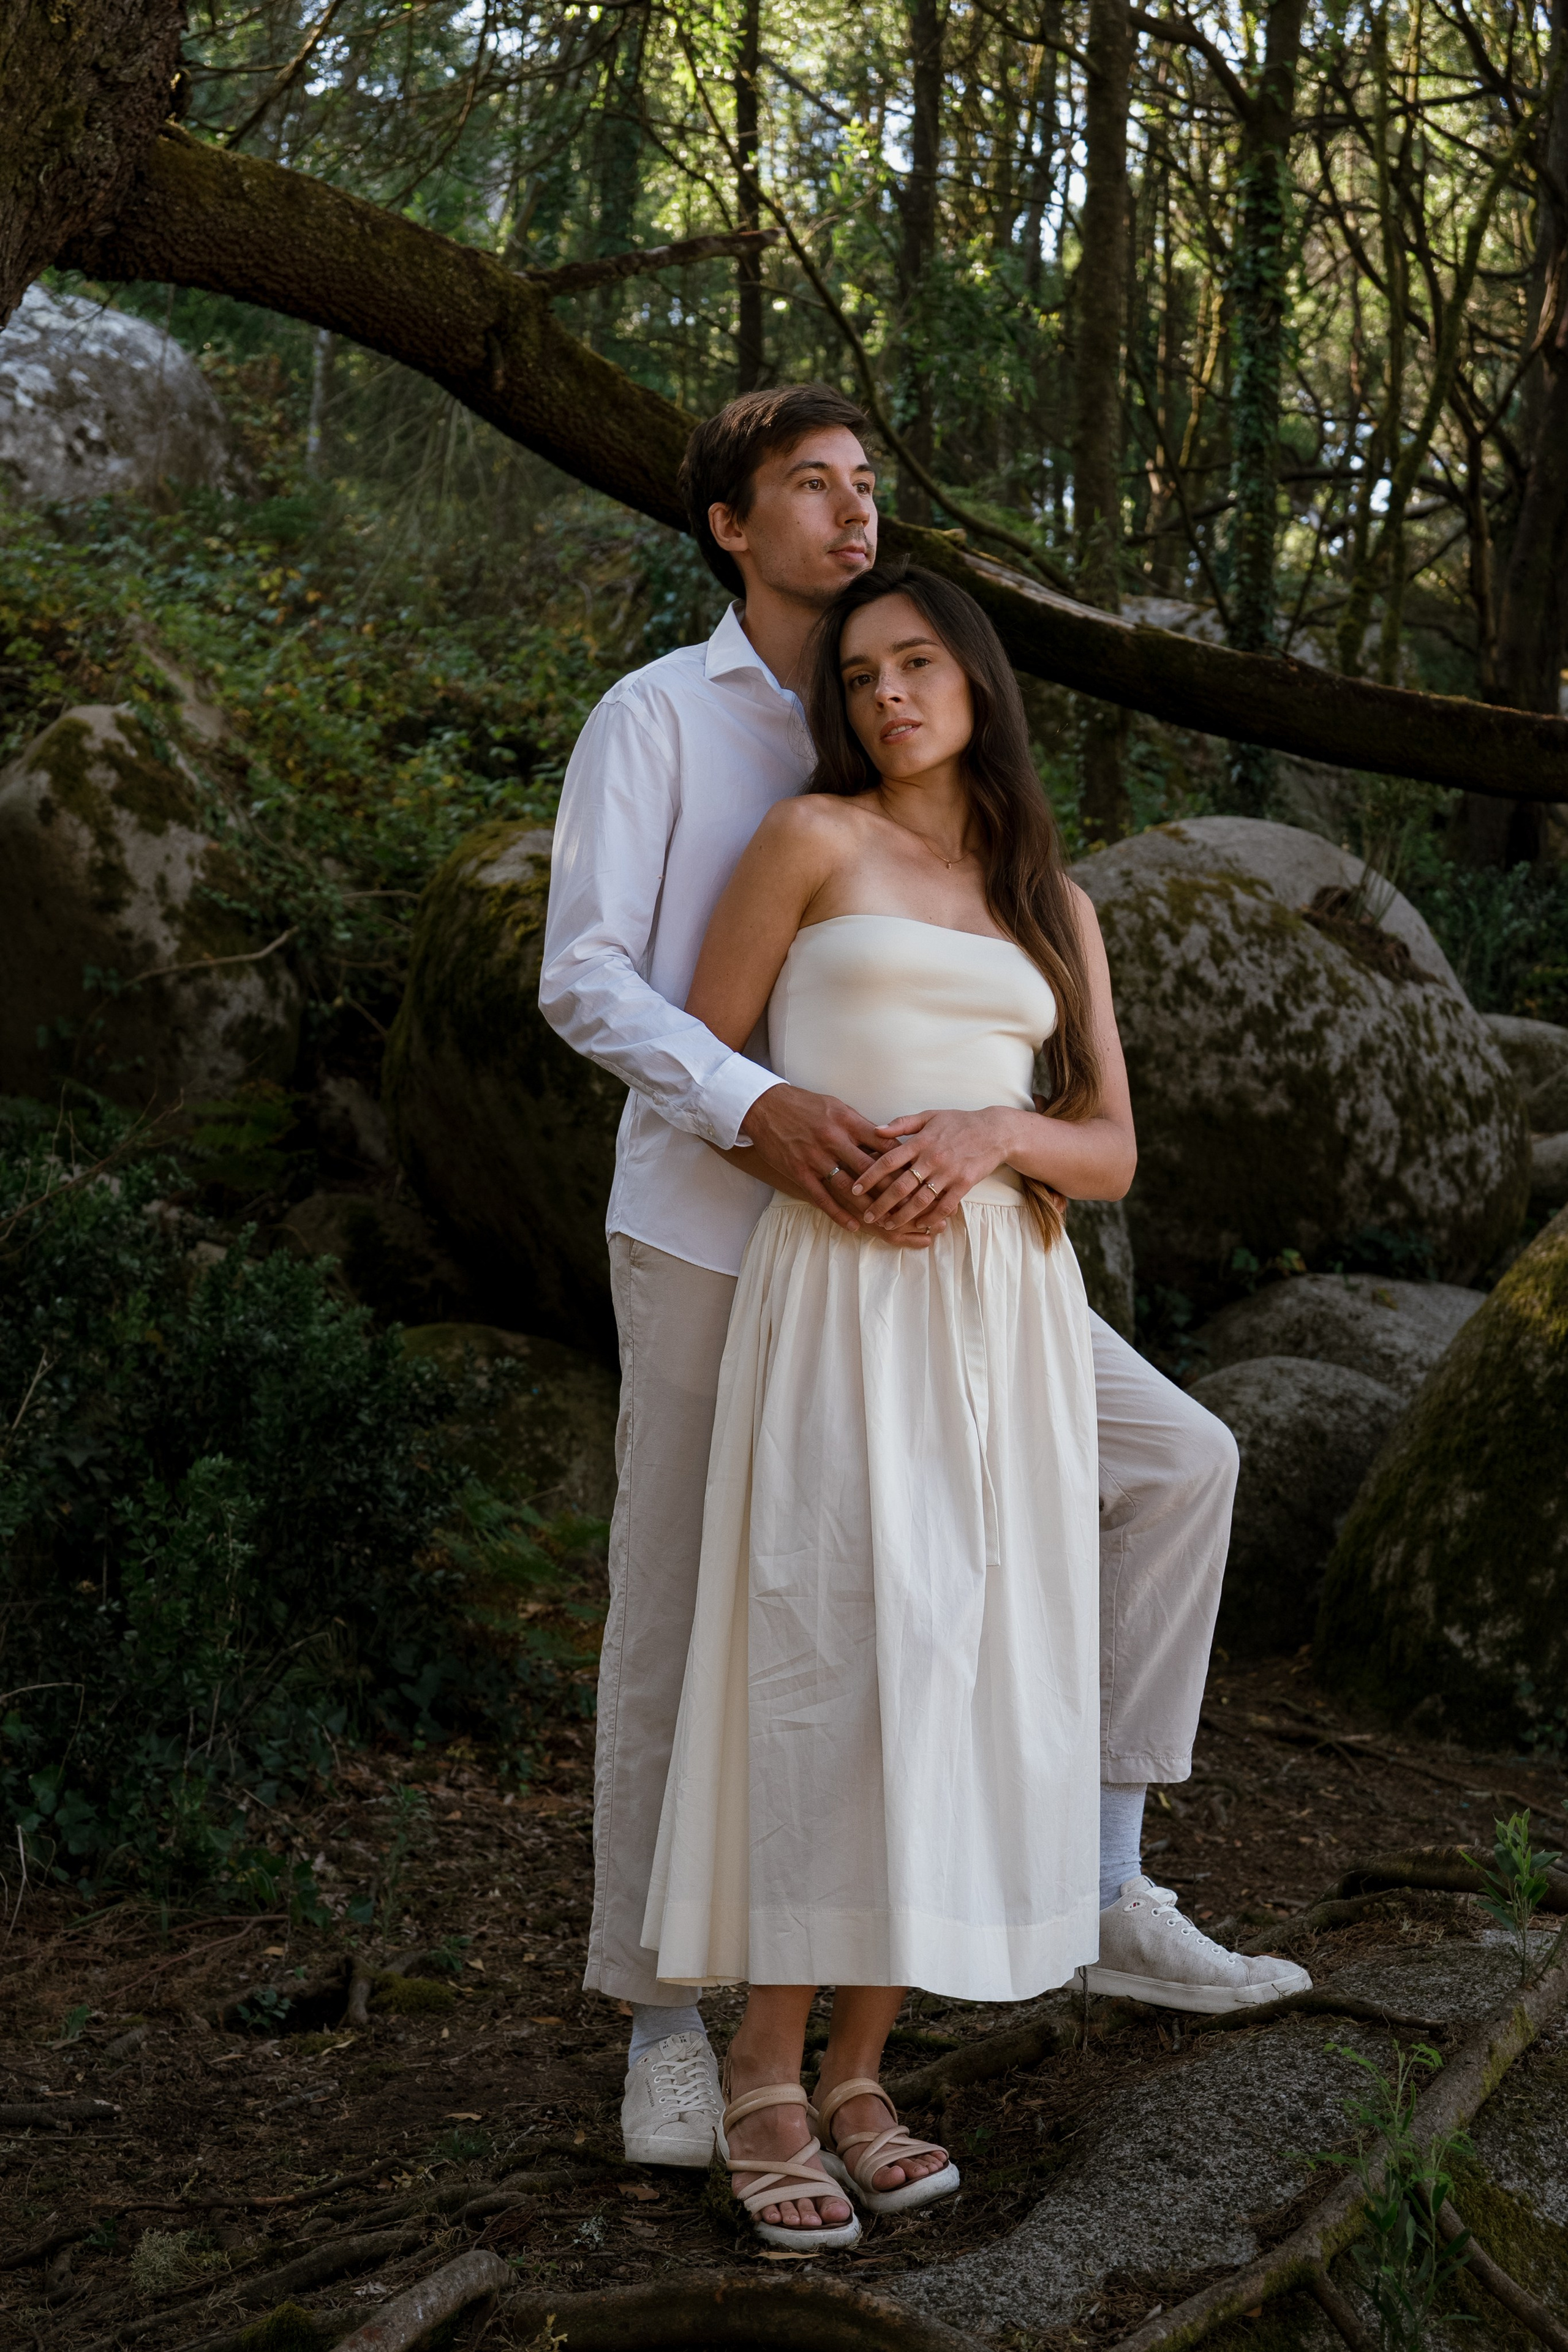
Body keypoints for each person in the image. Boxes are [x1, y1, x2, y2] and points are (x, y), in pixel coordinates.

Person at [538, 384, 1310, 2175]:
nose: (849, 507)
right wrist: (771, 1114)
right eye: (809, 484)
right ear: (733, 523)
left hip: (972, 1280)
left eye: (865, 480)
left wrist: (986, 1148)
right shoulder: (661, 720)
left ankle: (1098, 1873)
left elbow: (1079, 1119)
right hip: (726, 1228)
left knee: (1170, 1466)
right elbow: (590, 982)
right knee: (698, 1619)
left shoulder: (987, 838)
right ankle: (668, 2015)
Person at [640, 559, 1118, 2247]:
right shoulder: (811, 845)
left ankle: (860, 2067)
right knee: (837, 1649)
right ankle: (763, 2066)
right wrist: (805, 1131)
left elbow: (1110, 1149)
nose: (888, 697)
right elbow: (701, 1068)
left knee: (956, 1658)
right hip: (843, 1290)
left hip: (1004, 1309)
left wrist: (995, 1134)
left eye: (917, 665)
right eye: (859, 678)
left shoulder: (1052, 901)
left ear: (977, 678)